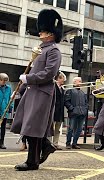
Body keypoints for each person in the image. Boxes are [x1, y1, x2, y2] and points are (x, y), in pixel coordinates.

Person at [11, 9, 63, 171]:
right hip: (33, 92)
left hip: (42, 93)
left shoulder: (53, 51)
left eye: (44, 30)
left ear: (51, 34)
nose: (40, 33)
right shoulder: (42, 49)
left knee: (33, 126)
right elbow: (35, 72)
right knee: (28, 124)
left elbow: (49, 73)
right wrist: (21, 88)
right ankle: (46, 146)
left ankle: (32, 161)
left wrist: (29, 79)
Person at [64, 77, 88, 149]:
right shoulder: (70, 91)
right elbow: (66, 101)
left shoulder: (82, 93)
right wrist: (72, 108)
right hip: (74, 113)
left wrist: (85, 109)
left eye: (81, 81)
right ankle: (68, 143)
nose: (81, 82)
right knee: (71, 128)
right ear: (74, 82)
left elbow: (86, 102)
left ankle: (74, 143)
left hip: (82, 113)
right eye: (79, 81)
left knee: (79, 129)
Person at [52, 71, 66, 150]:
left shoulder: (62, 89)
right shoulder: (53, 87)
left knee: (57, 129)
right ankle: (49, 143)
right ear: (58, 79)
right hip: (54, 111)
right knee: (51, 129)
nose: (63, 81)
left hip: (60, 112)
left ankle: (55, 144)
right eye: (62, 79)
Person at [0, 73, 13, 149]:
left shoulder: (8, 88)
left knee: (3, 128)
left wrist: (10, 107)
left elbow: (11, 98)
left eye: (5, 80)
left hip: (4, 111)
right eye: (3, 80)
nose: (4, 82)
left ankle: (2, 142)